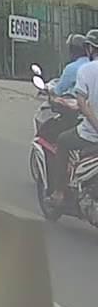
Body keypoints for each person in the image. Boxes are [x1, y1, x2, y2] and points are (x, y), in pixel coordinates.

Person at [49, 30, 98, 203]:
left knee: (62, 141)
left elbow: (82, 104)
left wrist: (96, 126)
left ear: (90, 48)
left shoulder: (85, 70)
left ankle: (58, 192)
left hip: (89, 134)